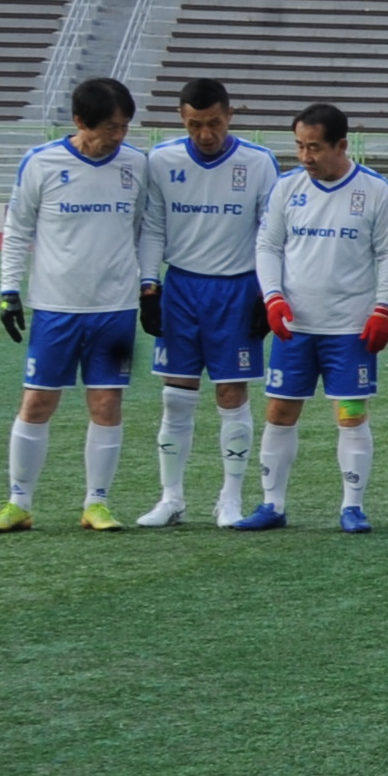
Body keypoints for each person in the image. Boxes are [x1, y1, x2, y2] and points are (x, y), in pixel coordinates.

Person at [0, 74, 161, 534]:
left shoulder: (136, 165)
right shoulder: (41, 162)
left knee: (106, 402)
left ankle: (96, 503)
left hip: (115, 310)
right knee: (38, 401)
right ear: (80, 121)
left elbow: (146, 230)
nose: (118, 136)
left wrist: (148, 286)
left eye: (124, 127)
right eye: (110, 127)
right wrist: (9, 291)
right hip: (55, 308)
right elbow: (17, 229)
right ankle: (19, 503)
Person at [246, 102, 388, 533]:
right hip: (295, 328)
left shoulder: (375, 190)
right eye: (299, 146)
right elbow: (268, 246)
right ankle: (272, 504)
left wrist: (383, 309)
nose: (305, 156)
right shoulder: (286, 188)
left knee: (350, 414)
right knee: (279, 411)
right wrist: (273, 298)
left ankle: (353, 507)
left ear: (341, 145)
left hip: (350, 329)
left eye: (314, 147)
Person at [139, 76, 279, 528]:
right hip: (181, 288)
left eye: (214, 123)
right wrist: (148, 287)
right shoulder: (161, 159)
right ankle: (171, 499)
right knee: (175, 397)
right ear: (181, 118)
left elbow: (271, 234)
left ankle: (230, 498)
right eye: (195, 124)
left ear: (229, 116)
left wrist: (267, 292)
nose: (205, 133)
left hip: (236, 290)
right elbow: (153, 226)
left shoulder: (258, 162)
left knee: (231, 394)